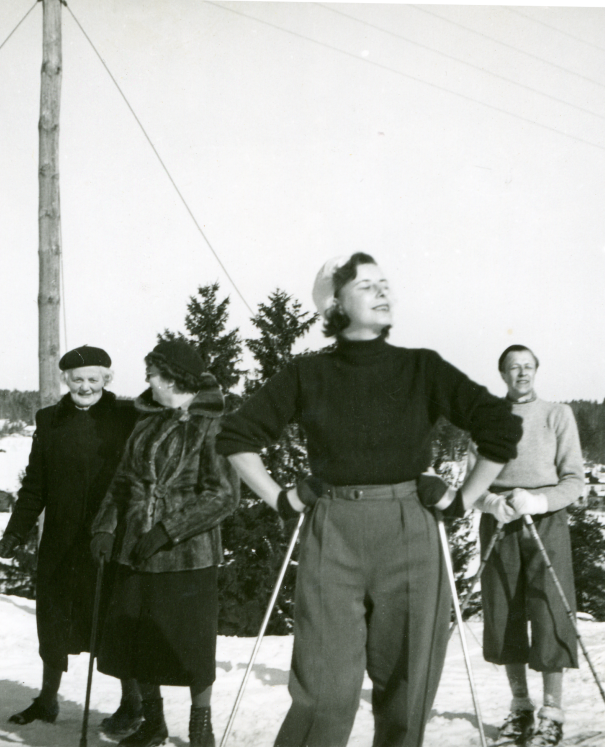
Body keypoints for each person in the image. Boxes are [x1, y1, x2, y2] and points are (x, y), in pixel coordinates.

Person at [215, 252, 523, 747]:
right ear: (335, 304)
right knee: (324, 690)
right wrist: (280, 499)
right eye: (365, 286)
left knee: (407, 685)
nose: (383, 292)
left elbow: (501, 428)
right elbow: (236, 437)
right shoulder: (305, 373)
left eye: (385, 283)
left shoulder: (421, 367)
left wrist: (464, 500)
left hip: (410, 531)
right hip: (332, 530)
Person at [89, 340, 240, 747]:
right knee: (138, 643)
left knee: (190, 648)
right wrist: (104, 529)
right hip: (135, 553)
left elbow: (223, 495)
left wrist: (167, 531)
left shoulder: (213, 424)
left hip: (187, 557)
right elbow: (123, 481)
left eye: (152, 374)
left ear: (173, 379)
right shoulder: (148, 421)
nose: (147, 381)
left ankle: (200, 728)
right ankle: (153, 724)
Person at [0, 345, 143, 736]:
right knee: (55, 619)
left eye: (94, 379)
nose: (85, 386)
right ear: (65, 380)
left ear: (107, 379)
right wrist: (16, 530)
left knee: (114, 620)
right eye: (77, 379)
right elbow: (35, 485)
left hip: (111, 536)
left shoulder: (127, 416)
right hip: (61, 540)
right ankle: (47, 699)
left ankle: (133, 703)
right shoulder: (50, 420)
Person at [472, 345, 583, 747]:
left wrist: (538, 501)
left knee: (551, 608)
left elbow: (574, 480)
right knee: (504, 611)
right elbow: (473, 483)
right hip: (500, 520)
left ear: (536, 371)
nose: (522, 373)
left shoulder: (558, 415)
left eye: (528, 366)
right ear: (502, 374)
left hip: (545, 518)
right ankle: (520, 707)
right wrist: (491, 503)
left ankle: (551, 711)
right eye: (513, 367)